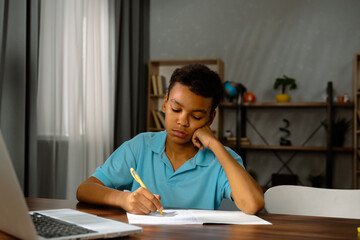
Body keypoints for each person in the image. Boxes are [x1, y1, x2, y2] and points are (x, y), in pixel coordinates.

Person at [76, 64, 264, 215]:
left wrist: (214, 144)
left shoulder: (221, 157)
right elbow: (85, 189)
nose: (182, 121)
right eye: (176, 109)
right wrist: (124, 200)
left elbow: (253, 204)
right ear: (165, 103)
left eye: (196, 116)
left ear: (210, 118)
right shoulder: (140, 146)